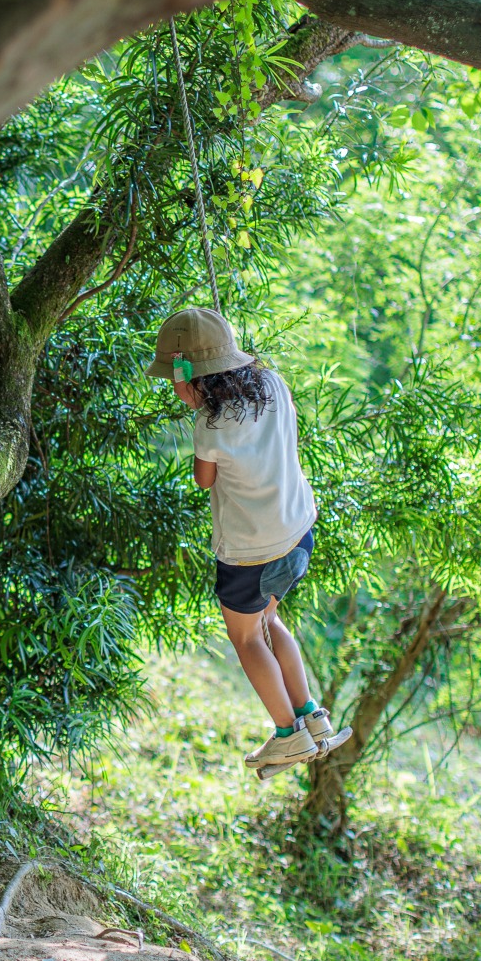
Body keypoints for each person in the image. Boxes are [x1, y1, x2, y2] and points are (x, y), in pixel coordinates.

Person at [150, 307, 349, 779]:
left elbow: (204, 480)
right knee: (268, 621)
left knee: (245, 638)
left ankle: (287, 735)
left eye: (176, 379)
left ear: (189, 376)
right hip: (298, 534)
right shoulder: (274, 385)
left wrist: (195, 408)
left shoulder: (210, 427)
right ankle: (313, 718)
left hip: (250, 555)